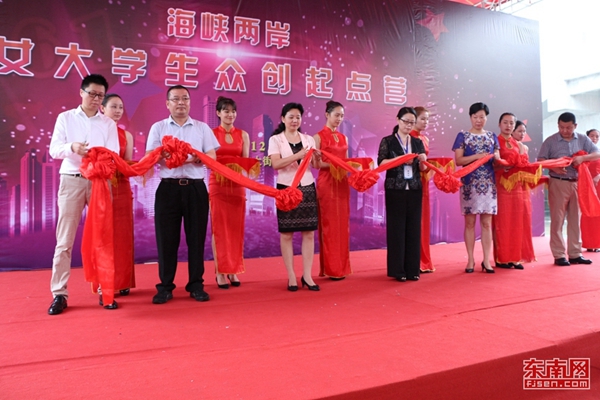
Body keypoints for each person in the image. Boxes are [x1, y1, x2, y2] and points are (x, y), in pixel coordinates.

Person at [47, 74, 120, 315]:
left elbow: (113, 154)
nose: (96, 99)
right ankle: (59, 293)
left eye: (100, 95)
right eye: (92, 94)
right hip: (72, 179)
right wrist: (72, 148)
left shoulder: (108, 123)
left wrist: (100, 159)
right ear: (81, 92)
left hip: (99, 182)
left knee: (103, 238)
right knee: (64, 240)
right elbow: (54, 149)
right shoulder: (66, 118)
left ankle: (105, 290)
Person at [146, 85, 219, 304]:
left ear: (189, 102)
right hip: (168, 188)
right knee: (166, 239)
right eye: (176, 99)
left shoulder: (202, 128)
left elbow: (212, 155)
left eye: (185, 98)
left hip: (195, 188)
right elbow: (149, 155)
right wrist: (166, 155)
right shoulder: (158, 127)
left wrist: (200, 157)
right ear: (167, 103)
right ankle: (165, 287)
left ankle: (196, 285)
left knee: (196, 238)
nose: (181, 103)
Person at [268, 102, 320, 291]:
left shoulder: (309, 139)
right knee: (287, 234)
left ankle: (307, 275)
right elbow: (276, 164)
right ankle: (291, 275)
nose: (295, 120)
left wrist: (317, 157)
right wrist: (298, 155)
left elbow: (315, 165)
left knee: (309, 233)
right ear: (283, 119)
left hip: (307, 187)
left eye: (298, 117)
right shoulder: (276, 140)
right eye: (291, 117)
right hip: (286, 188)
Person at [537, 112, 600, 266]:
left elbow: (597, 153)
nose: (564, 130)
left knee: (575, 219)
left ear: (575, 126)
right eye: (561, 127)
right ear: (558, 125)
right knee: (557, 219)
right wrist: (555, 167)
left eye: (568, 127)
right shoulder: (550, 141)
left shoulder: (583, 139)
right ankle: (559, 254)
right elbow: (540, 160)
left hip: (578, 183)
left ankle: (575, 253)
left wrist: (583, 158)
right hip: (558, 182)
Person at [378, 107, 427, 282]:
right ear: (398, 120)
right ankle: (398, 270)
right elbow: (382, 163)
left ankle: (413, 269)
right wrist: (401, 159)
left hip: (414, 188)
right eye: (406, 121)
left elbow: (423, 169)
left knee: (413, 229)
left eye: (412, 122)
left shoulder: (417, 142)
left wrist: (423, 161)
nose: (408, 125)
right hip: (395, 189)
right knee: (396, 229)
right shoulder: (388, 141)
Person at [452, 102, 501, 274]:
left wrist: (499, 159)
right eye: (475, 117)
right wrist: (478, 156)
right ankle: (470, 260)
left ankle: (486, 260)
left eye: (482, 117)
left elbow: (497, 158)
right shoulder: (463, 136)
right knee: (470, 223)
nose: (478, 120)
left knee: (487, 224)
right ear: (470, 117)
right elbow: (459, 160)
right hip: (469, 184)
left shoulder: (492, 136)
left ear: (486, 118)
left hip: (488, 184)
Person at [209, 96, 250, 289]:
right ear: (218, 113)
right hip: (217, 185)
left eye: (233, 111)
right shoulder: (210, 134)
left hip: (237, 186)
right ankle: (220, 271)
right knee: (219, 229)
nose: (230, 114)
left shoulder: (243, 135)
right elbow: (208, 160)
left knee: (235, 228)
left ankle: (232, 270)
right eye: (226, 111)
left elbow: (246, 162)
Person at [100, 94, 136, 297]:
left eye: (121, 107)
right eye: (113, 106)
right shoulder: (94, 132)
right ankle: (103, 281)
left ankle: (122, 280)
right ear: (102, 109)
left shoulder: (126, 136)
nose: (118, 111)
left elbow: (127, 163)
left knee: (123, 234)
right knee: (103, 234)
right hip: (100, 187)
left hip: (121, 186)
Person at [314, 101, 351, 280]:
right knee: (329, 225)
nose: (339, 119)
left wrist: (349, 166)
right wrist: (336, 164)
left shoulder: (344, 138)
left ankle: (342, 267)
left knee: (342, 225)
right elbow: (316, 164)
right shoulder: (318, 137)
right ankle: (331, 268)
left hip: (342, 183)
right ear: (327, 114)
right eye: (336, 115)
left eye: (342, 116)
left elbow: (348, 161)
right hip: (327, 183)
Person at [493, 113, 532, 270]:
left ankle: (515, 258)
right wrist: (501, 165)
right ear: (499, 124)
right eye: (505, 122)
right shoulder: (495, 141)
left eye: (511, 123)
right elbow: (492, 162)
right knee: (502, 223)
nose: (508, 126)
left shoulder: (518, 144)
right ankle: (502, 258)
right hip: (501, 186)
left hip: (517, 188)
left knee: (517, 222)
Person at [409, 106, 435, 273]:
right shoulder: (408, 137)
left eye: (427, 119)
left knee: (423, 219)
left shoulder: (425, 139)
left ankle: (423, 260)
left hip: (423, 181)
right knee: (414, 220)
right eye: (423, 119)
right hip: (411, 181)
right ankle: (413, 260)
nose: (426, 122)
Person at [509, 120, 536, 263]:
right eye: (519, 131)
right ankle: (511, 254)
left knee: (524, 218)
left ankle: (522, 253)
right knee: (512, 219)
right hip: (509, 186)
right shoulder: (508, 146)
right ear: (512, 131)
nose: (522, 134)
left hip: (523, 186)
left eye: (524, 131)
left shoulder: (525, 147)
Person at [579, 129, 600, 252]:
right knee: (587, 213)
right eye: (592, 136)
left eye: (597, 136)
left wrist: (598, 176)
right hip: (586, 186)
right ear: (587, 137)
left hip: (598, 186)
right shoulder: (582, 153)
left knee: (598, 213)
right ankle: (589, 243)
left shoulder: (598, 152)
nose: (594, 138)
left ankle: (597, 243)